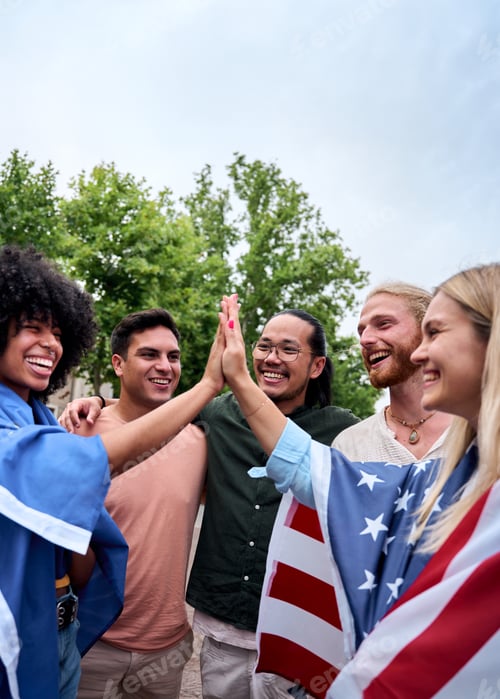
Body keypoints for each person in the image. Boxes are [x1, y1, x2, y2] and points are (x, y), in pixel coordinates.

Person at [220, 263, 499, 696]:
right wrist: (236, 378)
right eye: (361, 328)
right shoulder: (379, 452)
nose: (423, 352)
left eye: (436, 333)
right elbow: (307, 470)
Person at [60, 307, 360, 699]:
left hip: (293, 631)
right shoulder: (213, 419)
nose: (271, 358)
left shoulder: (342, 432)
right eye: (264, 345)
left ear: (317, 366)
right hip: (195, 633)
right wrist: (97, 400)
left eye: (288, 350)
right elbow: (152, 409)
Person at [0, 245, 225, 699]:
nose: (49, 343)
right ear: (118, 364)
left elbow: (76, 548)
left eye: (58, 332)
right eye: (31, 328)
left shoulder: (43, 418)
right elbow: (97, 459)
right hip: (41, 636)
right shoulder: (72, 428)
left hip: (69, 630)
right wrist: (208, 385)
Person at [76, 309, 207, 699]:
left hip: (166, 649)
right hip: (90, 642)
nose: (165, 366)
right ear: (118, 363)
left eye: (173, 356)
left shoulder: (199, 442)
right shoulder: (81, 431)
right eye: (149, 355)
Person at [332, 281, 452, 460]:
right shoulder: (348, 447)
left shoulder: (483, 429)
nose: (365, 340)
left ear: (428, 331)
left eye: (383, 324)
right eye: (361, 331)